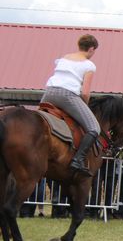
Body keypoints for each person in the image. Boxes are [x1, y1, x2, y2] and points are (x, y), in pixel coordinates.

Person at [40, 34, 101, 176]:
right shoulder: (89, 65)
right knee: (94, 128)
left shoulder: (64, 58)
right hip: (67, 95)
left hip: (48, 92)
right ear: (91, 49)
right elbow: (85, 93)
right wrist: (84, 106)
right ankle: (78, 160)